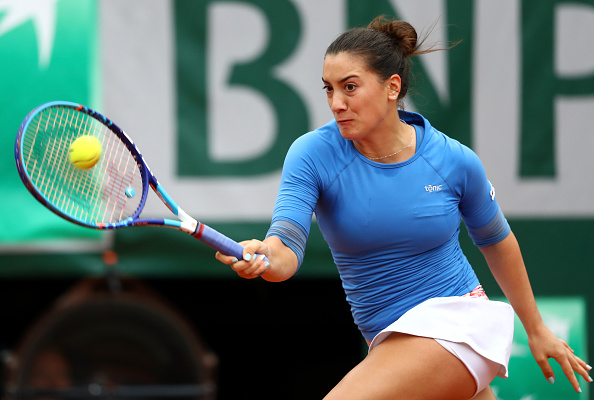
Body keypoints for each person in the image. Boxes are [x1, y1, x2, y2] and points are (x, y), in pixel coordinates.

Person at [215, 16, 592, 399]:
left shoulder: (453, 161)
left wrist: (537, 329)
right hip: (390, 340)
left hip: (457, 323)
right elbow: (285, 248)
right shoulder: (312, 154)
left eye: (350, 87)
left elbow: (497, 242)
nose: (337, 103)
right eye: (328, 89)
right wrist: (263, 256)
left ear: (392, 87)